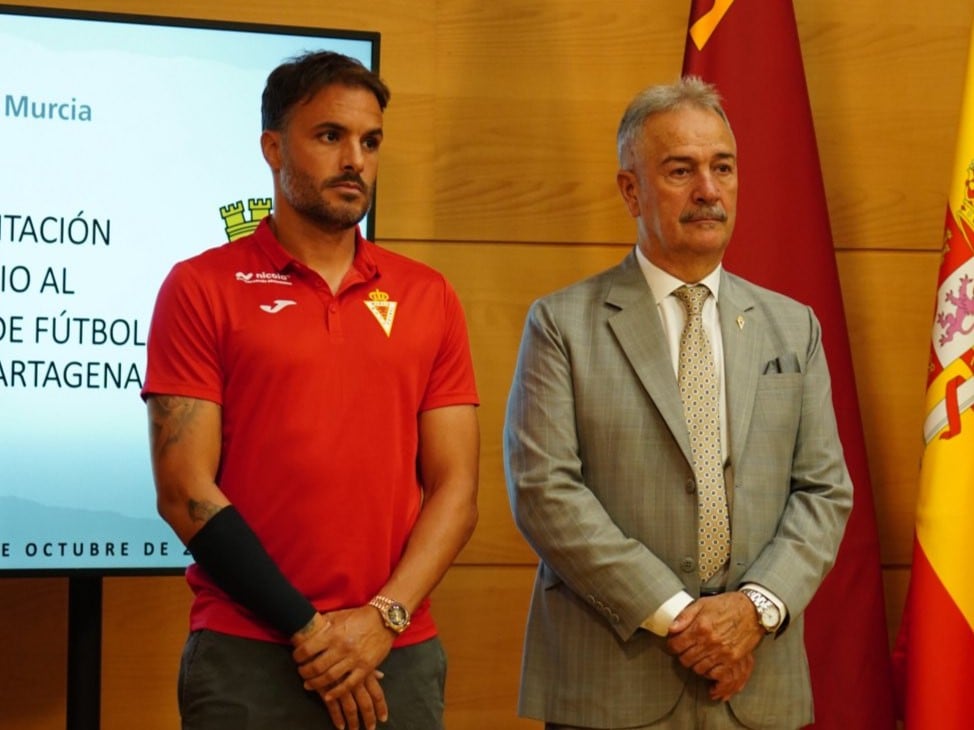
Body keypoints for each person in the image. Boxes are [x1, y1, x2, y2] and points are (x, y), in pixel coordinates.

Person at [143, 51, 479, 730]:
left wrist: (381, 619)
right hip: (248, 651)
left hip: (397, 649)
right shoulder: (200, 287)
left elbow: (457, 491)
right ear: (273, 147)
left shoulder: (429, 296)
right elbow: (185, 491)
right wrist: (313, 631)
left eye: (370, 141)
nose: (355, 158)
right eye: (330, 136)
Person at [502, 76, 853, 729]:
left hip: (758, 682)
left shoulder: (793, 326)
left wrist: (752, 609)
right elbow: (544, 492)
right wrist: (681, 617)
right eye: (680, 170)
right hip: (613, 680)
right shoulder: (561, 323)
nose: (709, 191)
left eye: (723, 167)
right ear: (630, 189)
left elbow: (824, 491)